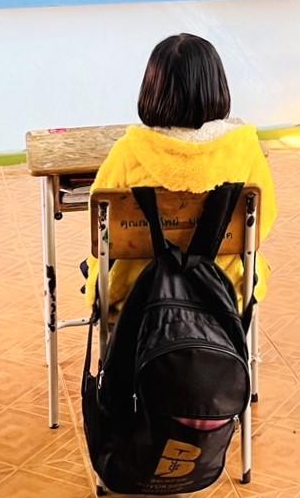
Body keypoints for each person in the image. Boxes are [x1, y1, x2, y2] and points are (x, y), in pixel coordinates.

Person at [85, 34, 278, 318]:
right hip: (225, 291)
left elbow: (100, 230)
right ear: (217, 85)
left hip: (140, 297)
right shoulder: (244, 148)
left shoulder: (129, 151)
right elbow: (264, 221)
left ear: (152, 90)